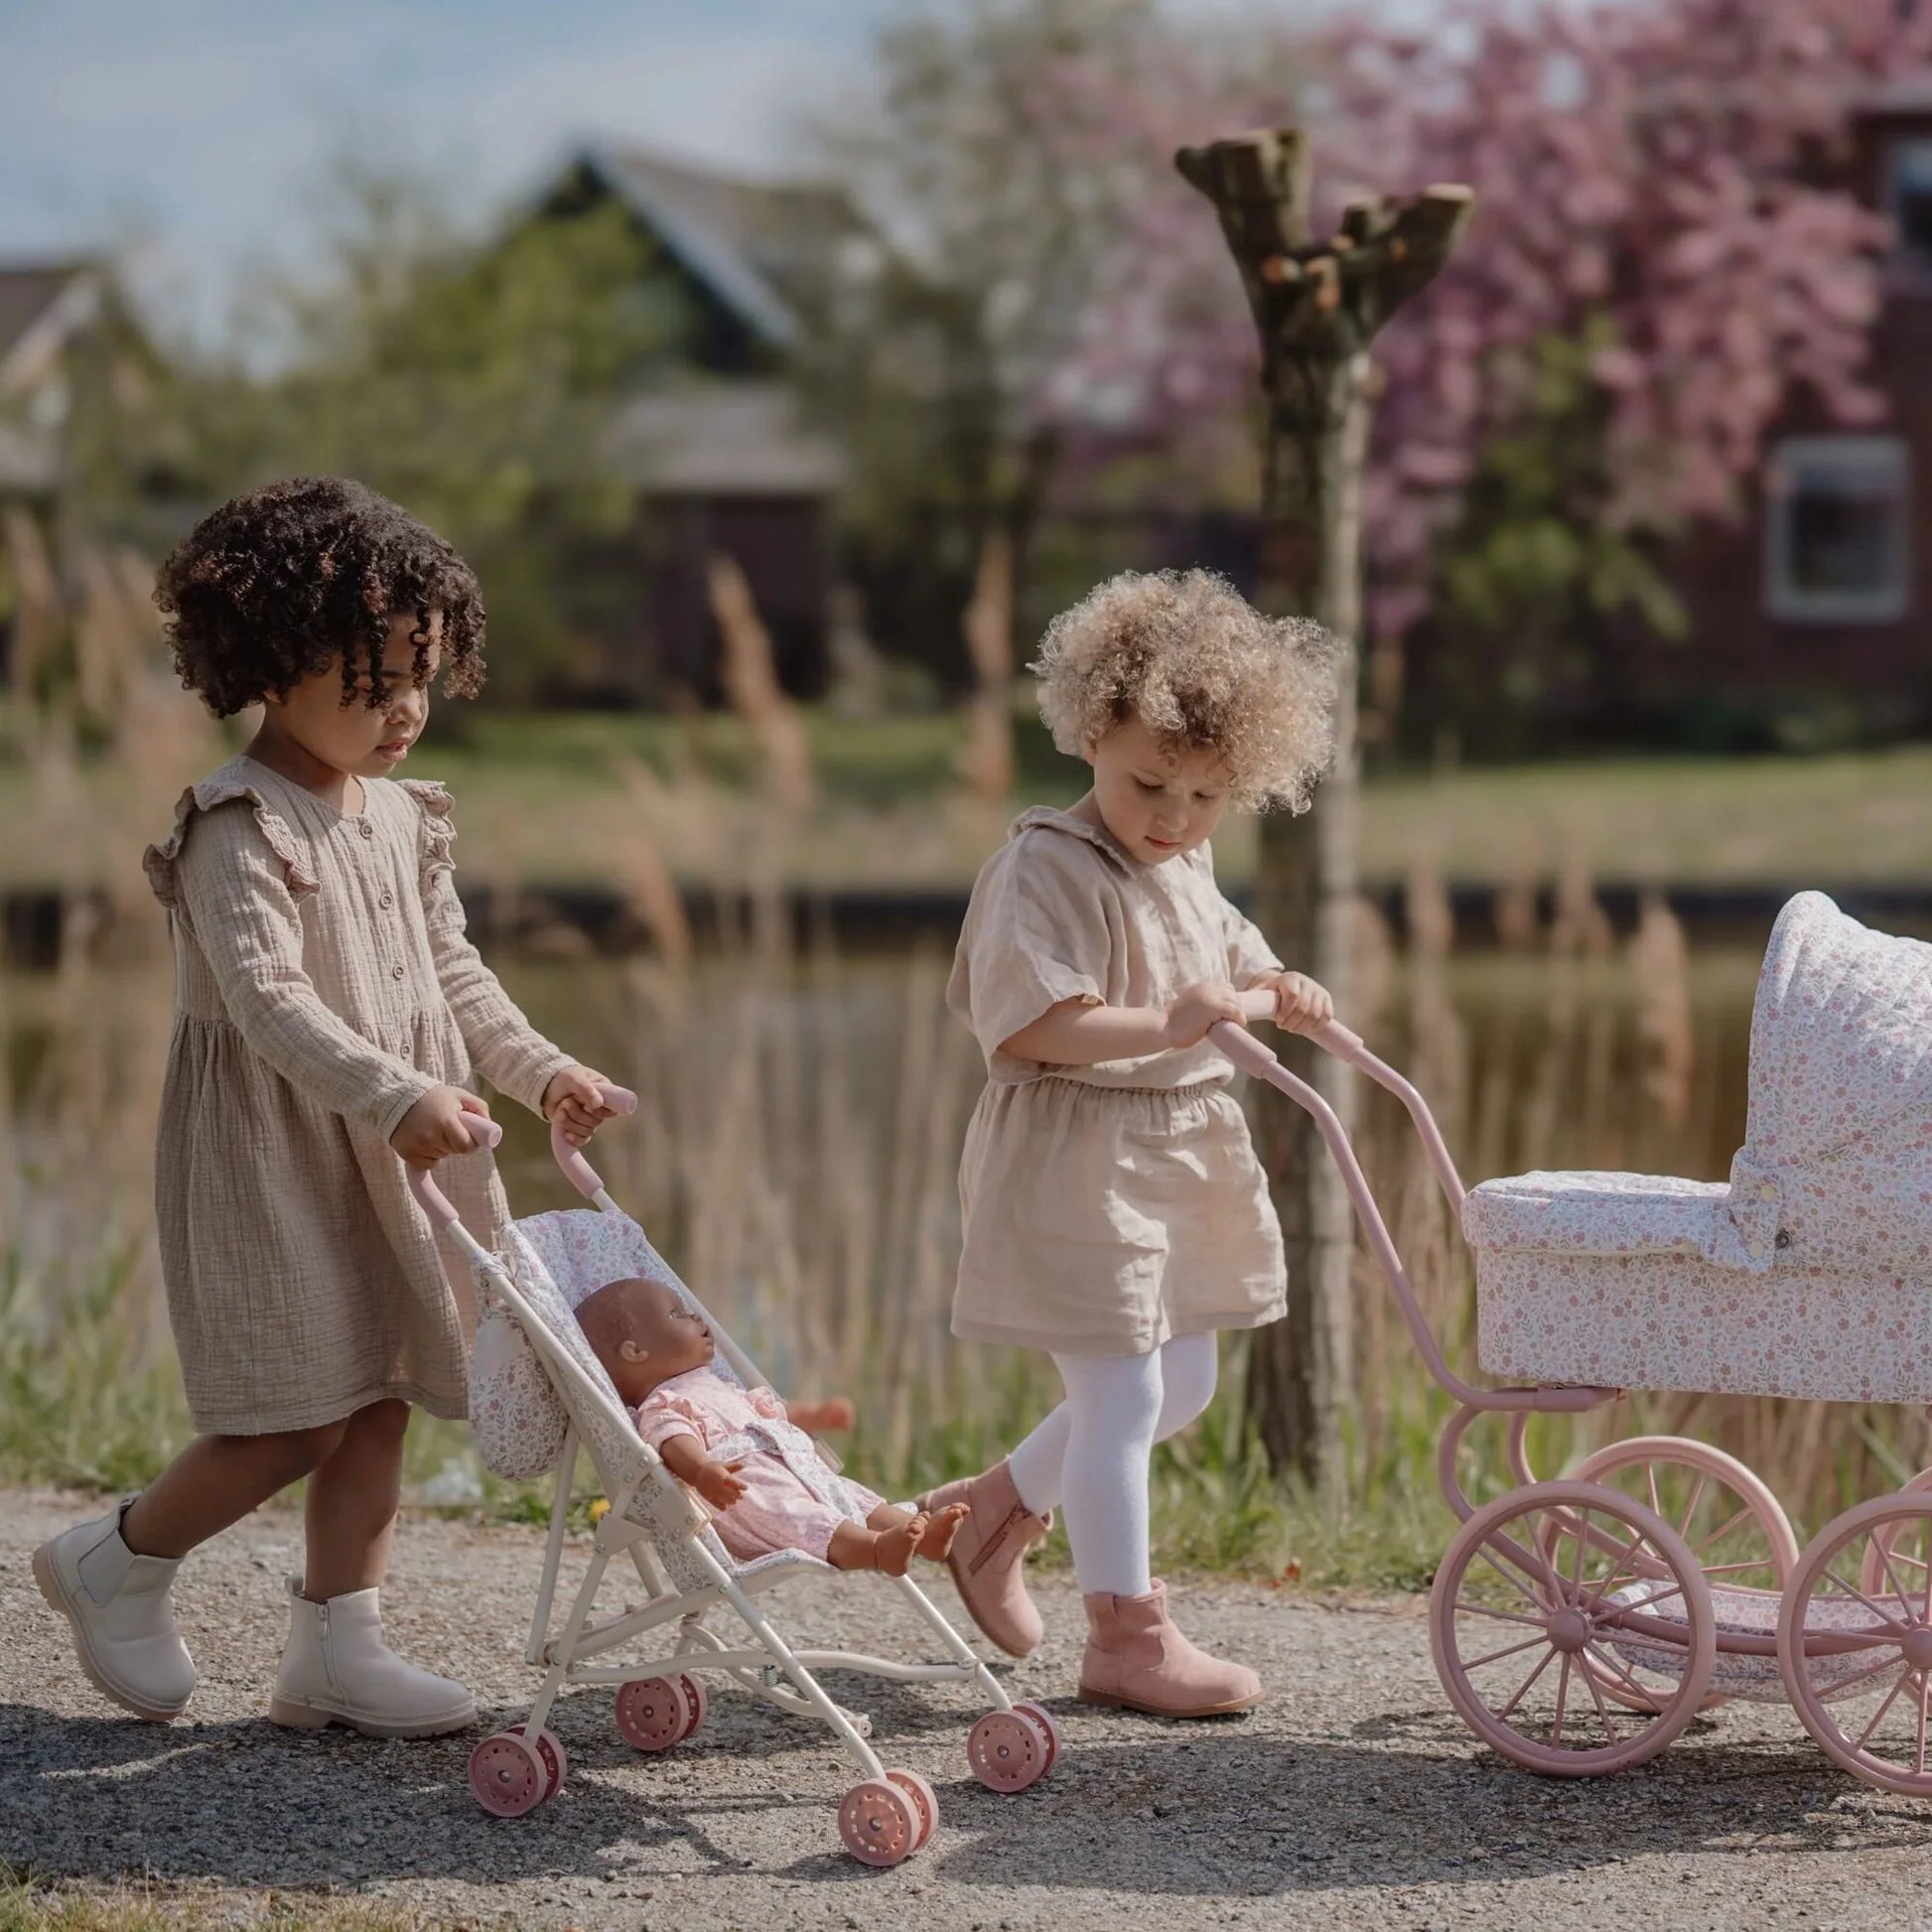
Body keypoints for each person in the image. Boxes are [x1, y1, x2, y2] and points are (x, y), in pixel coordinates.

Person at [33, 478, 619, 1738]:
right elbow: (266, 1000)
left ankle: (335, 1645)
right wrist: (392, 1089)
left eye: (422, 672)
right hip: (277, 1146)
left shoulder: (406, 817)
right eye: (369, 677)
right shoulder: (237, 825)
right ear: (269, 665)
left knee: (384, 1386)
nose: (403, 706)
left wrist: (542, 1070)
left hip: (399, 1143)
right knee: (293, 1405)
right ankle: (116, 1557)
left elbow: (455, 974)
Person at [922, 567, 1339, 1718]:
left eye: (1206, 796)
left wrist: (1273, 984)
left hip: (1175, 1142)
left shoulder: (1186, 859)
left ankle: (990, 1514)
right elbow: (1035, 1022)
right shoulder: (1042, 869)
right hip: (1076, 1154)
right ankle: (1125, 1632)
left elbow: (1225, 948)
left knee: (1184, 1382)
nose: (1172, 817)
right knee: (1118, 1395)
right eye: (1149, 782)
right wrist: (1169, 1020)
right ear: (1090, 731)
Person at [580, 1276, 968, 1575]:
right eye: (676, 1314)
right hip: (750, 1494)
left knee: (859, 1499)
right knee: (805, 1518)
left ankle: (925, 1538)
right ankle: (877, 1550)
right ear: (635, 1351)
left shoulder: (715, 1384)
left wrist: (813, 1416)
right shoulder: (663, 1403)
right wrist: (700, 1471)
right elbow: (671, 1438)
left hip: (795, 1469)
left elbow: (768, 1413)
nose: (695, 1316)